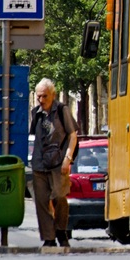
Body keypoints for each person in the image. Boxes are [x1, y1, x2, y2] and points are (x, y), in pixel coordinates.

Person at [29, 77, 78, 249]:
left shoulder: (62, 110)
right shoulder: (36, 113)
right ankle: (49, 238)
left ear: (53, 95)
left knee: (59, 197)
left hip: (59, 163)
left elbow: (73, 135)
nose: (41, 100)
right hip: (39, 164)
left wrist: (68, 159)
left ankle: (61, 231)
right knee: (42, 202)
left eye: (45, 96)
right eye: (38, 97)